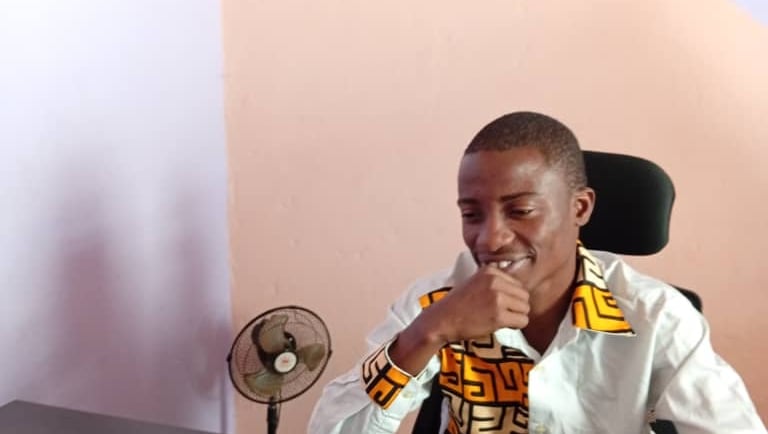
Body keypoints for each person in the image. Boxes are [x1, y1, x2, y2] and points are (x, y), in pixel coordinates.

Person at [307, 112, 766, 433]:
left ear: (579, 208)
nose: (490, 239)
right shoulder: (433, 302)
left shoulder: (655, 315)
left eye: (520, 211)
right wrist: (428, 333)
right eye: (471, 215)